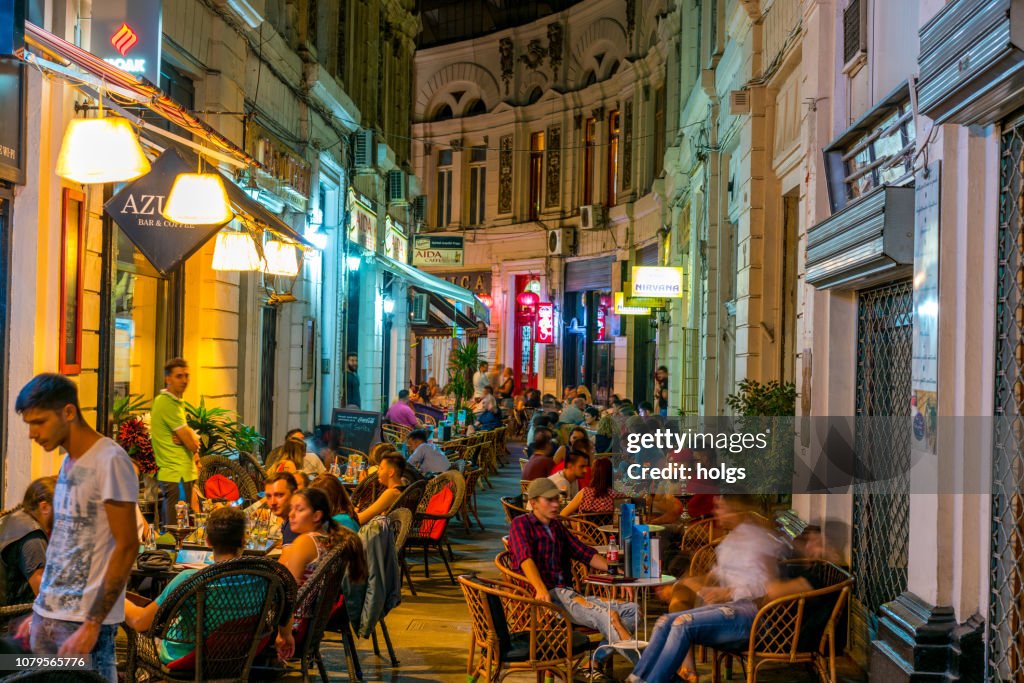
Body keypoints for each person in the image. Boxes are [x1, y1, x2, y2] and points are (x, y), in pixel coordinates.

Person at [15, 374, 139, 681]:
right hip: (50, 617)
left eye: (39, 422)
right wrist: (41, 608)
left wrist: (93, 623)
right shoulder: (69, 462)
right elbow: (64, 543)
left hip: (83, 624)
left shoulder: (110, 460)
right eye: (29, 423)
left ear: (69, 412)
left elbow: (127, 545)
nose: (32, 433)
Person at [634, 495, 787, 683]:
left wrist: (730, 592)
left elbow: (770, 587)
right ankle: (637, 678)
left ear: (736, 509)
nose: (715, 512)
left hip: (753, 614)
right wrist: (680, 585)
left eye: (720, 508)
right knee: (664, 621)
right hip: (728, 608)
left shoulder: (760, 540)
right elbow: (715, 575)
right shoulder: (730, 539)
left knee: (682, 623)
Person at [123, 506, 297, 663]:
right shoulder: (266, 578)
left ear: (208, 541)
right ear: (244, 541)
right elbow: (287, 604)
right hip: (242, 654)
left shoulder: (189, 579)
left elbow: (140, 622)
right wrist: (285, 634)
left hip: (190, 658)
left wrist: (115, 598)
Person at [509, 478, 638, 673]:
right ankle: (648, 672)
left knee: (632, 610)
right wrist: (541, 589)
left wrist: (617, 574)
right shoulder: (521, 524)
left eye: (556, 500)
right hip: (544, 598)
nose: (555, 504)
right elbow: (524, 558)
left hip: (568, 595)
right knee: (609, 617)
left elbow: (584, 552)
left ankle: (594, 662)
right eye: (549, 500)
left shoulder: (556, 526)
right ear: (533, 502)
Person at [276, 488, 367, 657]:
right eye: (292, 508)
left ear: (317, 516)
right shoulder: (327, 539)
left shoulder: (304, 542)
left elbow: (288, 595)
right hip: (310, 623)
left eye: (300, 509)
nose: (292, 514)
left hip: (293, 627)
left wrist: (284, 634)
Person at [150, 358, 201, 527]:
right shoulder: (167, 403)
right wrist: (189, 438)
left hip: (181, 473)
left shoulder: (176, 402)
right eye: (179, 376)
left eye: (186, 376)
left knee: (182, 527)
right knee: (176, 530)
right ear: (168, 379)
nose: (184, 380)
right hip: (175, 473)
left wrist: (188, 436)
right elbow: (193, 445)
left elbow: (192, 441)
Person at [0, 477, 57, 605]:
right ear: (44, 507)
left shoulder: (12, 519)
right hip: (11, 619)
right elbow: (46, 598)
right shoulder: (32, 537)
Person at [356, 455, 407, 525]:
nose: (378, 472)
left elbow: (361, 519)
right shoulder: (403, 488)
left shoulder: (391, 493)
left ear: (391, 472)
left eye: (381, 468)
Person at [264, 472, 300, 545]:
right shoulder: (290, 521)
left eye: (279, 495)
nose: (273, 502)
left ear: (295, 494)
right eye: (268, 496)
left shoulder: (294, 525)